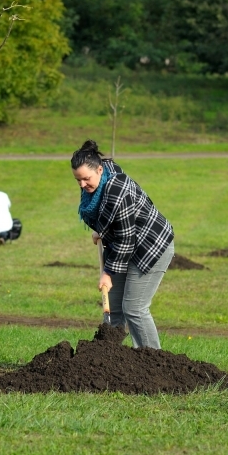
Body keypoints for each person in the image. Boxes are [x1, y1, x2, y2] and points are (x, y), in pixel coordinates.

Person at [71, 139, 174, 349]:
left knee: (134, 308)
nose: (82, 185)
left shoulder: (118, 192)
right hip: (123, 245)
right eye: (78, 180)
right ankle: (109, 358)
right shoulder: (99, 178)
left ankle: (151, 360)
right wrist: (101, 229)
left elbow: (126, 239)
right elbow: (112, 220)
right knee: (114, 309)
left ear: (99, 169)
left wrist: (107, 273)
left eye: (86, 179)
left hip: (150, 247)